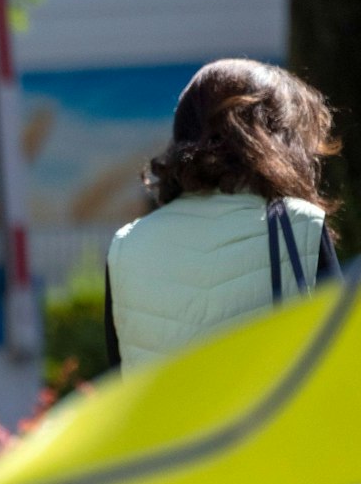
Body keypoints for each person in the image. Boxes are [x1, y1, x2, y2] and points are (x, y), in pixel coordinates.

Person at [107, 59, 343, 369]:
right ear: (280, 139)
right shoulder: (300, 226)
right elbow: (343, 364)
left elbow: (117, 378)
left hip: (174, 419)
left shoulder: (127, 245)